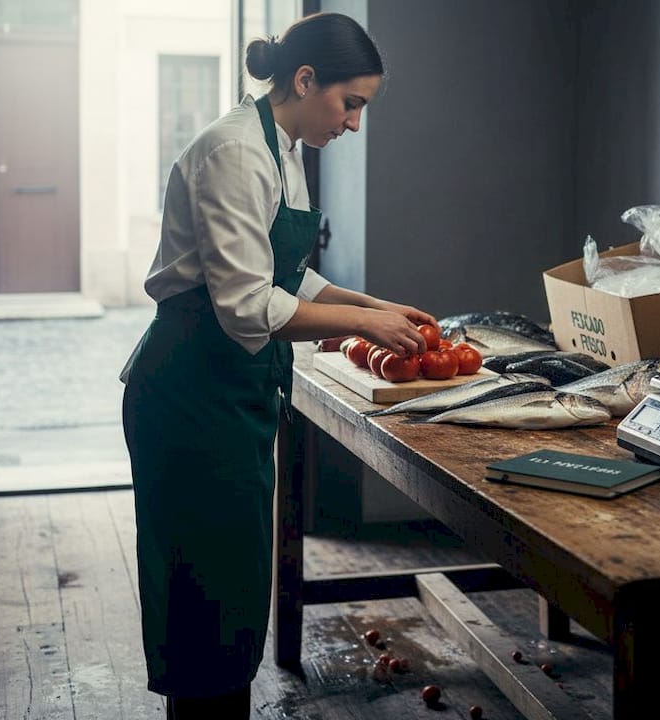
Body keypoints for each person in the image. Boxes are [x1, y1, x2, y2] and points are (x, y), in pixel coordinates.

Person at [120, 12, 435, 719]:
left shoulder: (282, 149)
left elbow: (289, 277)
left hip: (231, 397)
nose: (354, 123)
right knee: (203, 600)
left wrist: (376, 304)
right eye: (349, 103)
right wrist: (363, 322)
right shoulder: (235, 154)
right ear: (303, 80)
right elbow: (244, 306)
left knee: (231, 591)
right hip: (189, 397)